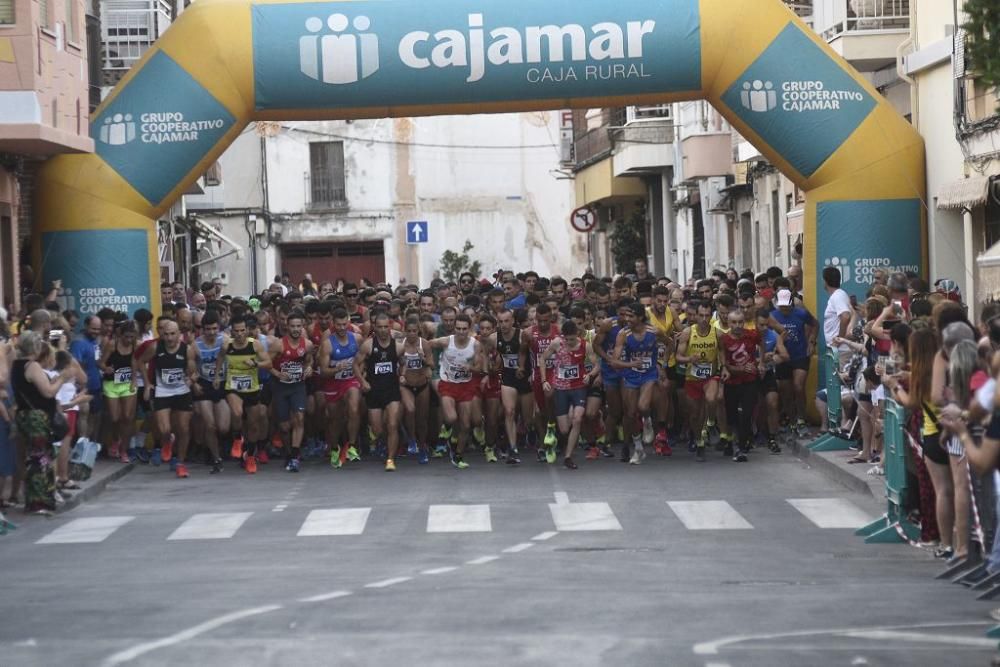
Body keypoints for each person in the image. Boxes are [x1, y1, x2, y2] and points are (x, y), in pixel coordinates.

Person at [11, 332, 76, 514]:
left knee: (37, 457)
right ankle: (38, 501)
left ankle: (37, 499)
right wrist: (62, 378)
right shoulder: (32, 366)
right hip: (37, 418)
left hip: (26, 416)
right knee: (40, 458)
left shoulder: (16, 365)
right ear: (35, 347)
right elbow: (47, 392)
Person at [137, 317, 197, 478]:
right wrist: (147, 383)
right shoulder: (156, 347)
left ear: (179, 334)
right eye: (166, 334)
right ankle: (167, 441)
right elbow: (141, 362)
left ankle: (180, 463)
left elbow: (194, 371)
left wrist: (191, 379)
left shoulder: (187, 349)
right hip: (162, 391)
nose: (169, 338)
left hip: (182, 392)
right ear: (162, 334)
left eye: (172, 334)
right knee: (165, 430)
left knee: (183, 429)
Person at [540, 320, 599, 469]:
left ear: (577, 335)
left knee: (578, 419)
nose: (569, 342)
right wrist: (544, 380)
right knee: (565, 429)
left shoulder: (586, 345)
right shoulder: (556, 343)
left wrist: (590, 375)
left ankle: (568, 457)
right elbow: (542, 359)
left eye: (571, 339)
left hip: (578, 386)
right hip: (560, 388)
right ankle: (552, 428)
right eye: (566, 339)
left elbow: (597, 364)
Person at [429, 314, 485, 469]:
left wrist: (471, 368)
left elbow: (480, 368)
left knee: (466, 425)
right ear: (454, 328)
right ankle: (446, 428)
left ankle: (458, 455)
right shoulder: (446, 341)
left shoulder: (475, 345)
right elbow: (426, 345)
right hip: (447, 383)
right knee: (452, 417)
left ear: (470, 328)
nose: (461, 332)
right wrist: (429, 363)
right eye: (458, 328)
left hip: (465, 385)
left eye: (464, 329)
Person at [220, 316, 272, 474]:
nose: (240, 334)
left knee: (253, 426)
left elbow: (268, 363)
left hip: (251, 388)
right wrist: (217, 375)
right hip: (233, 385)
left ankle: (250, 456)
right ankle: (237, 438)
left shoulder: (254, 345)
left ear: (247, 330)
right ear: (232, 331)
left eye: (243, 330)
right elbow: (220, 358)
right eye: (236, 331)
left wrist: (255, 364)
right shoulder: (226, 344)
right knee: (237, 412)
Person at [354, 312, 404, 472]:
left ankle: (390, 458)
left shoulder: (398, 346)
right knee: (377, 429)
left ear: (390, 327)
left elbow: (404, 362)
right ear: (374, 328)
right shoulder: (368, 345)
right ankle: (385, 441)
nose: (383, 330)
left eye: (386, 327)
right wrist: (363, 381)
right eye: (380, 327)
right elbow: (355, 364)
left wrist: (402, 375)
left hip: (392, 391)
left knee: (392, 424)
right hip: (374, 391)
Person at [611, 303, 659, 465]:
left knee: (643, 406)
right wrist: (630, 364)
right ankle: (638, 448)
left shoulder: (653, 331)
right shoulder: (623, 334)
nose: (627, 319)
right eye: (626, 316)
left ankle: (648, 421)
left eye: (631, 316)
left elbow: (670, 343)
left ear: (640, 317)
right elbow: (614, 362)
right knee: (630, 414)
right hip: (631, 375)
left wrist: (662, 362)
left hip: (649, 374)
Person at [676, 301, 722, 462]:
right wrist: (690, 358)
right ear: (696, 315)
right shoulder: (688, 332)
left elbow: (722, 353)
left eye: (707, 315)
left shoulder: (717, 333)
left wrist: (724, 369)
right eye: (700, 315)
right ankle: (699, 441)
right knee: (695, 415)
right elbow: (678, 357)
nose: (703, 319)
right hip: (692, 378)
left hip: (710, 376)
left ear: (711, 316)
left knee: (711, 399)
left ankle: (710, 423)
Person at [269, 310, 314, 472]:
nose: (296, 329)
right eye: (293, 326)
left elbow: (309, 360)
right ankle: (288, 452)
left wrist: (309, 368)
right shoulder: (279, 344)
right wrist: (277, 373)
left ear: (303, 327)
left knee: (299, 419)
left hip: (298, 386)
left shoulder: (307, 344)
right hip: (281, 387)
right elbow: (266, 363)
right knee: (284, 427)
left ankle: (295, 456)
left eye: (299, 326)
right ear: (287, 327)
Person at [720, 310, 766, 462]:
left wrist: (761, 362)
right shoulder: (724, 339)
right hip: (732, 382)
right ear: (728, 323)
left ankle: (741, 447)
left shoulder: (752, 334)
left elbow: (762, 343)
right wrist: (737, 369)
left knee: (746, 414)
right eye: (734, 322)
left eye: (740, 322)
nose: (737, 325)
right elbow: (724, 363)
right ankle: (730, 441)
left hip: (750, 381)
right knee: (732, 415)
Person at [319, 308, 363, 468]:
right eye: (338, 325)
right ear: (333, 324)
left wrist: (359, 370)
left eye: (345, 324)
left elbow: (363, 358)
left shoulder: (357, 339)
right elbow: (323, 371)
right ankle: (334, 447)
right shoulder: (327, 344)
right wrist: (337, 368)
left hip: (350, 381)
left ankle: (351, 446)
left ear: (348, 322)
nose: (342, 328)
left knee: (353, 407)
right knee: (334, 420)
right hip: (333, 383)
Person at [771, 288, 818, 437]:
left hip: (800, 355)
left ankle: (801, 419)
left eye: (787, 305)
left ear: (791, 302)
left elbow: (815, 324)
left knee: (798, 387)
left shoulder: (800, 313)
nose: (784, 308)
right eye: (782, 305)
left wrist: (811, 342)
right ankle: (791, 421)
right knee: (786, 391)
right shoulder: (773, 316)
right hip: (783, 357)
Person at [192, 310, 228, 473]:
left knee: (223, 427)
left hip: (221, 385)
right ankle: (216, 458)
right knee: (210, 425)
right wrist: (194, 384)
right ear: (202, 329)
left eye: (215, 328)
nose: (212, 332)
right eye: (208, 329)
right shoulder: (196, 345)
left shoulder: (225, 340)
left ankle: (217, 446)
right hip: (204, 386)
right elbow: (190, 368)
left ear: (219, 328)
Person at [494, 308, 531, 465]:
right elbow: (480, 347)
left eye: (506, 321)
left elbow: (536, 354)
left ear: (513, 321)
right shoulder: (494, 337)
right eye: (501, 321)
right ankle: (513, 448)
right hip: (508, 378)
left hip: (525, 377)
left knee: (530, 420)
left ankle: (527, 431)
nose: (504, 324)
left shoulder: (523, 335)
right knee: (509, 411)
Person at [98, 320, 138, 463]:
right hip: (111, 384)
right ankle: (116, 440)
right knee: (115, 418)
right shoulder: (112, 344)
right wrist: (105, 368)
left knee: (127, 417)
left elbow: (135, 364)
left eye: (131, 337)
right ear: (120, 335)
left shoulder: (135, 345)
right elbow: (100, 362)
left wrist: (134, 381)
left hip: (127, 383)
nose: (128, 340)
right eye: (126, 337)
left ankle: (124, 450)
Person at [399, 314, 434, 465]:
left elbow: (431, 364)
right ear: (405, 331)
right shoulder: (400, 345)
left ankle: (422, 447)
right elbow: (396, 363)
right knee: (410, 410)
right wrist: (400, 373)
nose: (412, 334)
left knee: (422, 419)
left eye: (415, 331)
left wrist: (423, 358)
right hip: (406, 384)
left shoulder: (424, 344)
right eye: (409, 331)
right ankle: (411, 439)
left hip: (421, 385)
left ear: (418, 331)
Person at [69, 315, 103, 442]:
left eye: (98, 329)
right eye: (93, 329)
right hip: (83, 387)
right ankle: (82, 446)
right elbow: (75, 365)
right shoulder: (78, 342)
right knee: (84, 415)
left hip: (96, 385)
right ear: (86, 326)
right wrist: (81, 387)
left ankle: (87, 446)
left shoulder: (96, 340)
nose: (96, 332)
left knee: (95, 415)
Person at [823, 265, 853, 367]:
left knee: (840, 382)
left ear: (825, 281)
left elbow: (845, 316)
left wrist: (839, 339)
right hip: (837, 350)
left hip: (841, 351)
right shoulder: (837, 296)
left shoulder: (838, 295)